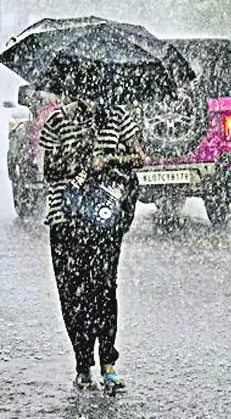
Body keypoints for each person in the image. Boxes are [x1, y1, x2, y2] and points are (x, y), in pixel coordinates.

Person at [39, 95, 145, 393]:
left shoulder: (117, 117)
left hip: (104, 220)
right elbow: (48, 170)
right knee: (72, 294)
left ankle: (108, 363)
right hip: (65, 220)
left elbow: (139, 158)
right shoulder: (58, 121)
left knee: (104, 289)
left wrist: (108, 160)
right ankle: (82, 363)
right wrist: (77, 157)